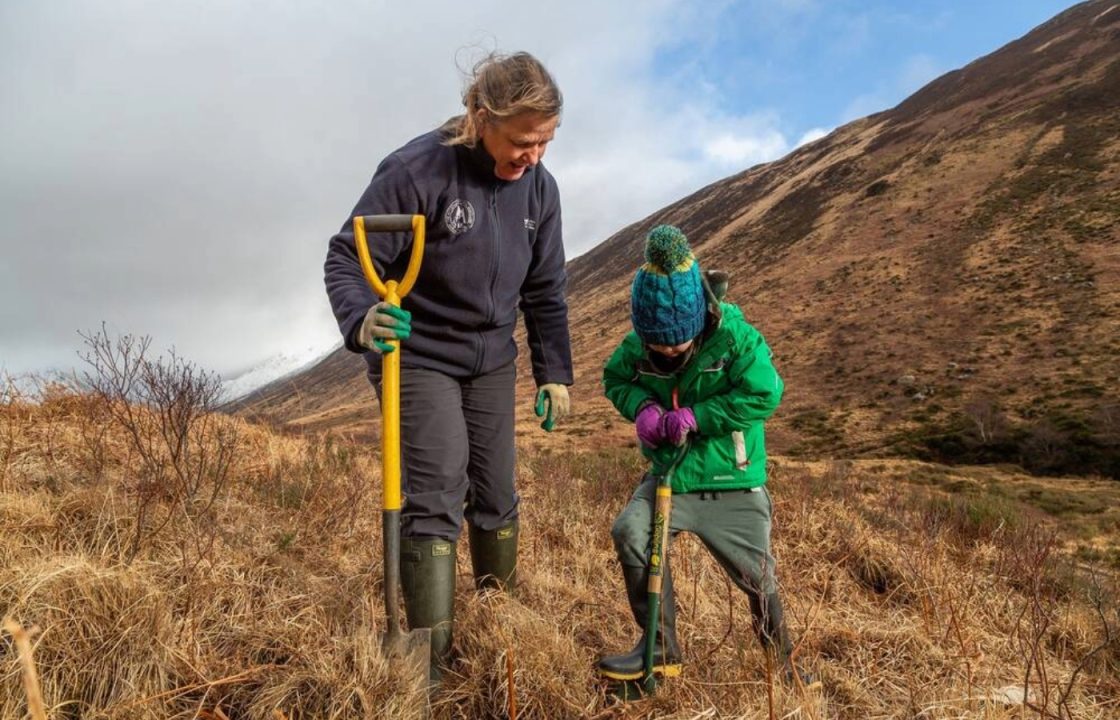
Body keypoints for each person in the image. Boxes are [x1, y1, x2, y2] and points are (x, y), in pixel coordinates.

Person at [324, 51, 573, 681]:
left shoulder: (540, 190)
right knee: (436, 496)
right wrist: (361, 320)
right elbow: (346, 258)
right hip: (420, 354)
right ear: (479, 116)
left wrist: (554, 373)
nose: (533, 156)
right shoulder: (417, 170)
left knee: (495, 496)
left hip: (492, 359)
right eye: (521, 141)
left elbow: (545, 290)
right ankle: (430, 664)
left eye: (545, 141)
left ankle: (499, 633)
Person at [598, 225, 807, 685]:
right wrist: (643, 408)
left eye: (676, 343)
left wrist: (698, 416)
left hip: (731, 479)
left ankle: (785, 668)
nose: (665, 352)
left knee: (758, 577)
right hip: (671, 473)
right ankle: (659, 649)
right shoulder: (639, 343)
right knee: (631, 531)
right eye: (656, 344)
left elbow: (765, 394)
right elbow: (615, 380)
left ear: (697, 322)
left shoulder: (735, 338)